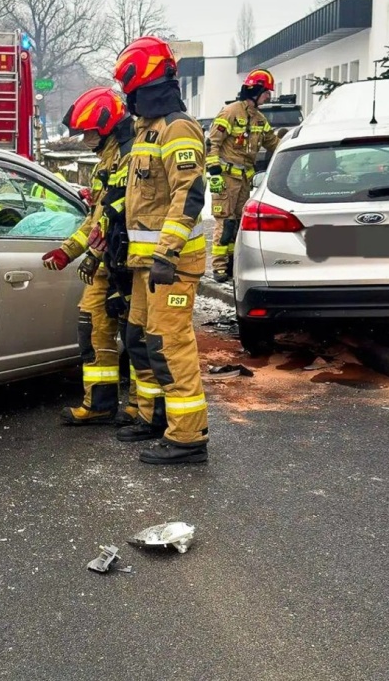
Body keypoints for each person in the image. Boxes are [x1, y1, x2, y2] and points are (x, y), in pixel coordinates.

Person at [112, 36, 210, 465]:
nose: (126, 97)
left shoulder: (177, 128)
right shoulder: (145, 128)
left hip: (171, 264)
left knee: (170, 345)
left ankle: (188, 438)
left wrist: (167, 252)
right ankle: (153, 417)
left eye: (129, 89)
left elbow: (189, 194)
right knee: (141, 340)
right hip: (144, 264)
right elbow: (140, 195)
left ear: (144, 82)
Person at [42, 87, 139, 427]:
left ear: (108, 125)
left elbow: (121, 219)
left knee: (135, 338)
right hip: (105, 264)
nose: (85, 139)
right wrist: (68, 251)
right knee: (92, 328)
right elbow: (96, 219)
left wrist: (94, 255)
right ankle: (99, 404)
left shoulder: (132, 156)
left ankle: (139, 408)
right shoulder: (107, 160)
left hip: (127, 264)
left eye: (89, 132)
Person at [205, 70, 281, 281]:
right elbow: (213, 143)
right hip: (226, 179)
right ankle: (219, 267)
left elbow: (272, 143)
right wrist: (214, 172)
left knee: (238, 222)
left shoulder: (259, 119)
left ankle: (230, 263)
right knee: (225, 221)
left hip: (245, 180)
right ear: (256, 90)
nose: (268, 97)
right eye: (266, 93)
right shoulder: (230, 112)